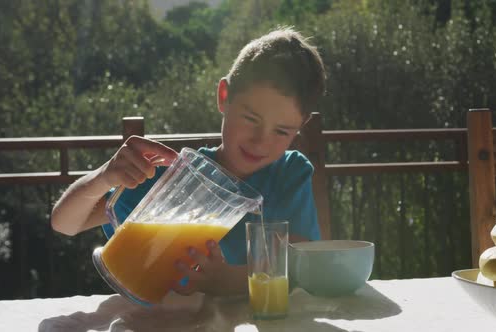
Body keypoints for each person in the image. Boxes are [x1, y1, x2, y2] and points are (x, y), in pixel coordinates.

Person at [51, 27, 327, 297]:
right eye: (251, 119)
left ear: (301, 125)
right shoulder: (175, 177)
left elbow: (303, 262)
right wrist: (104, 177)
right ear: (224, 96)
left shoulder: (290, 173)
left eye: (281, 131)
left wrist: (234, 281)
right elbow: (65, 223)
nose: (260, 141)